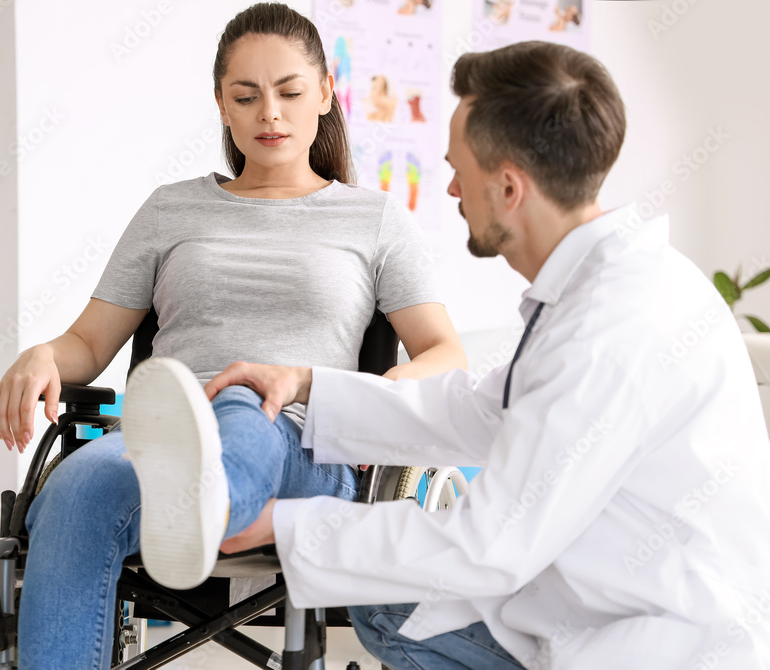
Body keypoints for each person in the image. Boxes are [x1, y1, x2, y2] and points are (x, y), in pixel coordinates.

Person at [188, 41, 770, 668]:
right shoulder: (606, 284)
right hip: (604, 598)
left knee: (394, 608)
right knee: (393, 611)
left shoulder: (609, 326)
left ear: (511, 186)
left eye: (460, 168)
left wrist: (282, 522)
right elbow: (480, 412)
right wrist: (304, 383)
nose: (452, 187)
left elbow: (490, 544)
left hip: (656, 640)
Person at [0, 3, 467, 667]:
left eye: (290, 92)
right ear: (222, 104)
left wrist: (380, 404)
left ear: (326, 94)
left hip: (302, 439)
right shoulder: (169, 210)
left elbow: (445, 352)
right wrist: (42, 355)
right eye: (246, 96)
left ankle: (205, 508)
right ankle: (195, 497)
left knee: (243, 403)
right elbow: (89, 344)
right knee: (76, 490)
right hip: (162, 445)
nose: (269, 113)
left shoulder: (375, 219)